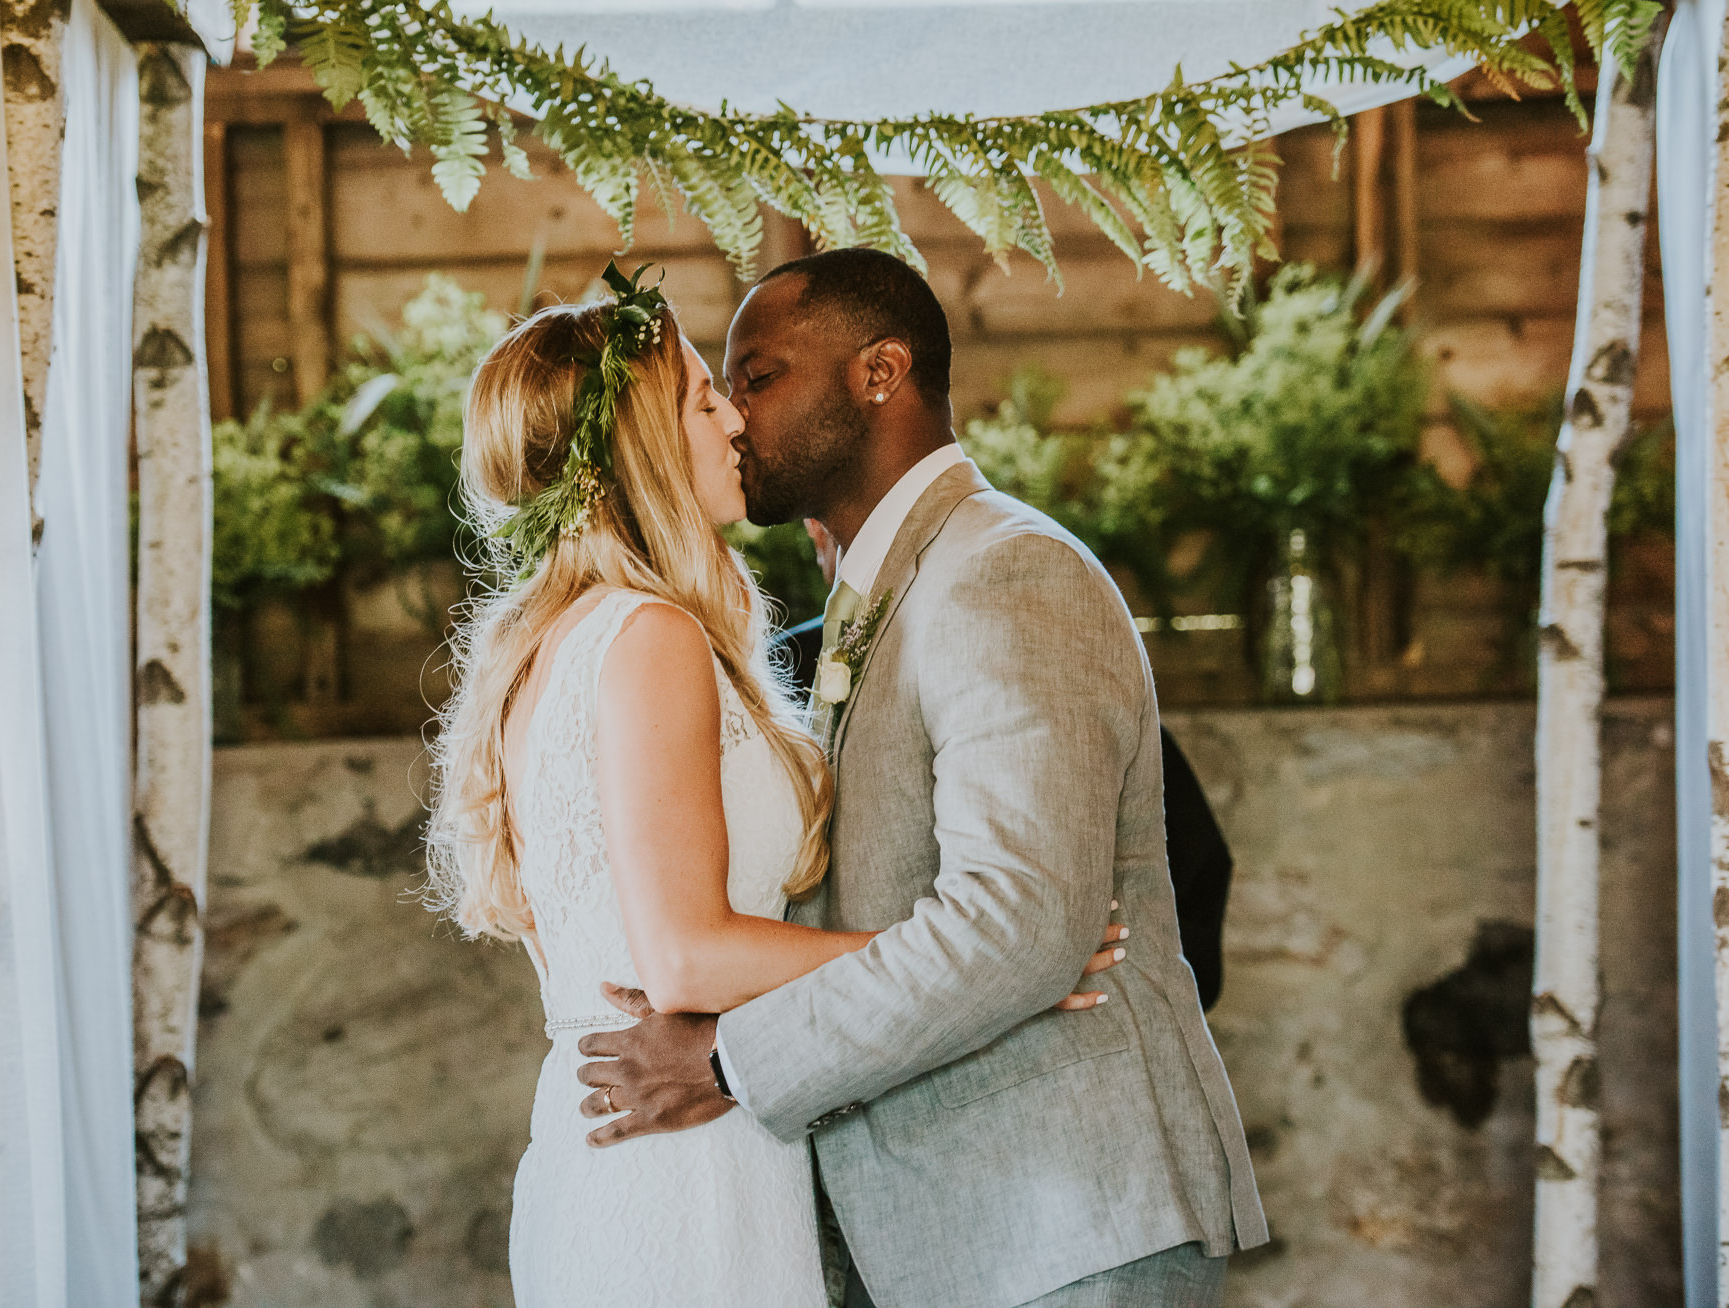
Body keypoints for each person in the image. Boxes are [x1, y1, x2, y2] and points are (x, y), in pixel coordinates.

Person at [424, 264, 1127, 1307]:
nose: (733, 423)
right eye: (706, 397)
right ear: (645, 445)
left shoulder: (560, 641)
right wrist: (984, 961)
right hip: (681, 1167)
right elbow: (687, 955)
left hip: (631, 1143)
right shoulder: (647, 635)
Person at [577, 248, 1268, 1308]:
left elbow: (1019, 926)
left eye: (757, 379)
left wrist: (730, 1062)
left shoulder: (1004, 569)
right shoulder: (879, 588)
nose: (730, 419)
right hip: (956, 1232)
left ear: (878, 372)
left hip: (1062, 1225)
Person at [775, 535, 1236, 1012]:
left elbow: (1194, 866)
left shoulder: (1044, 653)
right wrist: (1013, 971)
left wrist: (1084, 979)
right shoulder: (789, 667)